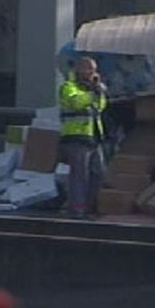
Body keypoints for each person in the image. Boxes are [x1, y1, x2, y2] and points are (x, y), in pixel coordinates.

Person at [59, 57, 107, 219]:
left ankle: (90, 206)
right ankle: (77, 208)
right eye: (90, 69)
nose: (93, 73)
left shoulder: (92, 89)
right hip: (76, 137)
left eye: (94, 70)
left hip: (93, 136)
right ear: (80, 70)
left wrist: (98, 92)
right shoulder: (68, 87)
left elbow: (100, 106)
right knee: (80, 174)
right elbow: (75, 102)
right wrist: (92, 92)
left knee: (99, 173)